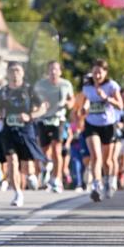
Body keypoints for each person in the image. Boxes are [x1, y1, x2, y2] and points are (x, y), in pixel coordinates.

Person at [0, 62, 47, 207]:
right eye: (11, 70)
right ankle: (17, 193)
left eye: (17, 70)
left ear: (22, 73)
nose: (14, 73)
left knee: (27, 166)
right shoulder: (3, 92)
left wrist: (30, 116)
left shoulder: (29, 90)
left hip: (25, 130)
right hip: (8, 131)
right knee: (12, 161)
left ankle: (31, 174)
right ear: (7, 73)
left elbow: (43, 108)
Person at [79, 59, 123, 201]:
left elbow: (120, 105)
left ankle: (109, 182)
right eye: (95, 72)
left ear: (105, 72)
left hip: (108, 125)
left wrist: (106, 98)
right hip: (92, 125)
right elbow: (85, 101)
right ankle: (96, 186)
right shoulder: (87, 87)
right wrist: (84, 107)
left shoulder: (111, 86)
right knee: (95, 157)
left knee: (107, 161)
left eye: (100, 72)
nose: (97, 75)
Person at [34, 61, 74, 193]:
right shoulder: (40, 85)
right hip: (43, 119)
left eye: (56, 69)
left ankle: (57, 179)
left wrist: (68, 104)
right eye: (51, 69)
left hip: (58, 119)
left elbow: (72, 100)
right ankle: (47, 168)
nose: (53, 72)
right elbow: (34, 101)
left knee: (57, 150)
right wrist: (38, 106)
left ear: (60, 72)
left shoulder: (66, 84)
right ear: (48, 71)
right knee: (44, 151)